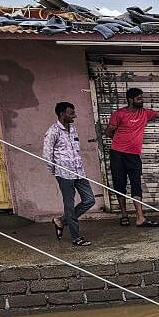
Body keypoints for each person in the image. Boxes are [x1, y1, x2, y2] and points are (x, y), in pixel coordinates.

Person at [104, 87, 159, 227]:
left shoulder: (144, 113)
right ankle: (124, 214)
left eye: (142, 98)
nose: (142, 100)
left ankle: (140, 217)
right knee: (119, 183)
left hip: (134, 155)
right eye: (139, 98)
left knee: (136, 184)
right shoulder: (119, 114)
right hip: (117, 154)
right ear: (130, 99)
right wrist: (121, 141)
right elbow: (108, 131)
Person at [42, 101, 95, 246]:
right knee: (69, 205)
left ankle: (61, 221)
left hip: (79, 171)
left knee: (90, 200)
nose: (74, 116)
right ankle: (76, 237)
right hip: (64, 174)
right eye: (71, 113)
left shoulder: (73, 129)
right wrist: (56, 171)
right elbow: (47, 155)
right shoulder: (53, 131)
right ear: (61, 114)